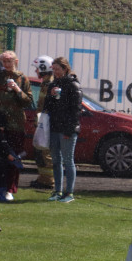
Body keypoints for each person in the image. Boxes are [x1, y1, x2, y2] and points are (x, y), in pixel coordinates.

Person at [0, 50, 33, 202]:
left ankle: (9, 189)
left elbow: (28, 101)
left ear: (16, 62)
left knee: (13, 157)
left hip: (15, 123)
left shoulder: (22, 78)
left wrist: (17, 89)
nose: (6, 64)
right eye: (4, 61)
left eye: (9, 61)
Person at [42, 56, 82, 203]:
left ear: (65, 69)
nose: (55, 72)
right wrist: (51, 96)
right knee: (56, 160)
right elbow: (47, 106)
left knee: (68, 160)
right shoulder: (54, 84)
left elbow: (76, 110)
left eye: (58, 69)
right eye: (54, 69)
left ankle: (69, 192)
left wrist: (69, 130)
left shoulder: (73, 85)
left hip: (67, 129)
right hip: (54, 127)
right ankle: (57, 191)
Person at [30, 55, 55, 191]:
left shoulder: (50, 84)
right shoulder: (46, 82)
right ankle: (43, 178)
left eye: (37, 69)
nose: (36, 72)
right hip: (43, 122)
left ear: (43, 68)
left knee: (46, 152)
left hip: (46, 123)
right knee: (40, 151)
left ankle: (50, 181)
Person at [0, 111, 22, 202]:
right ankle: (1, 195)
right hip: (0, 161)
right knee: (1, 179)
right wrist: (9, 155)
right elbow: (3, 146)